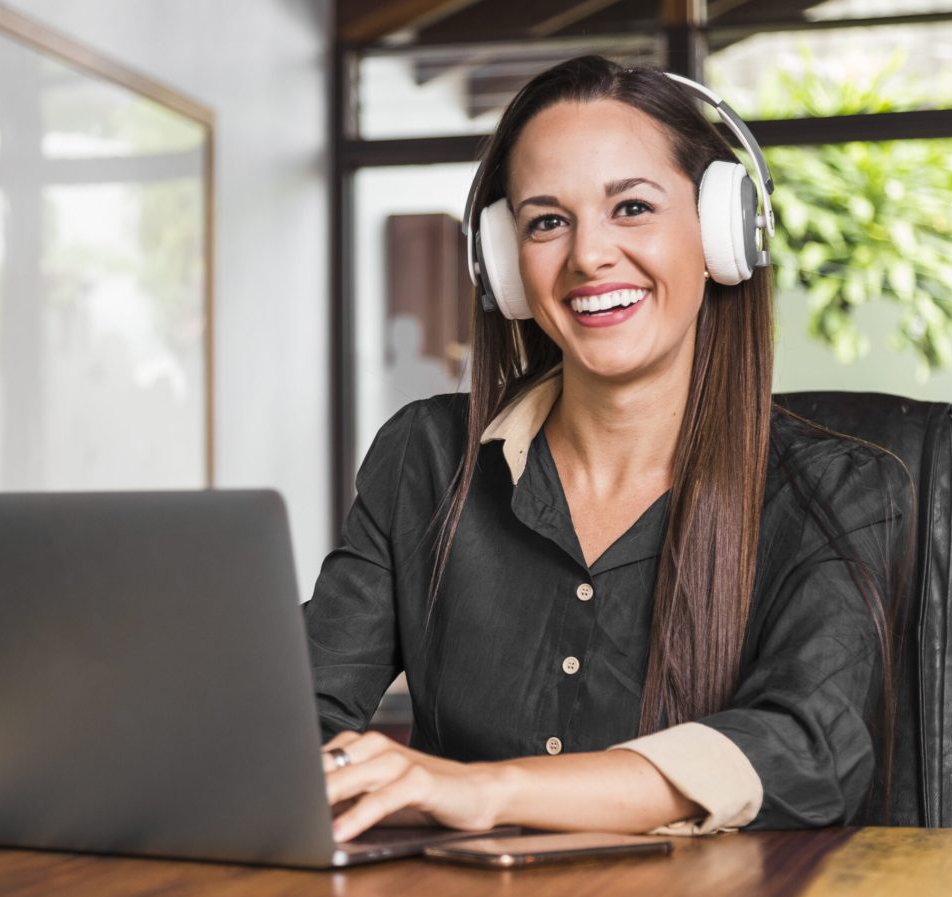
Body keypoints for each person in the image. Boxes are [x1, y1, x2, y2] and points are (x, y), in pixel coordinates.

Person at [304, 55, 912, 842]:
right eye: (546, 222)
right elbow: (299, 711)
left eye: (631, 207)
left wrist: (487, 790)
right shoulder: (427, 457)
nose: (589, 255)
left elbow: (805, 747)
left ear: (721, 232)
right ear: (505, 265)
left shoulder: (839, 492)